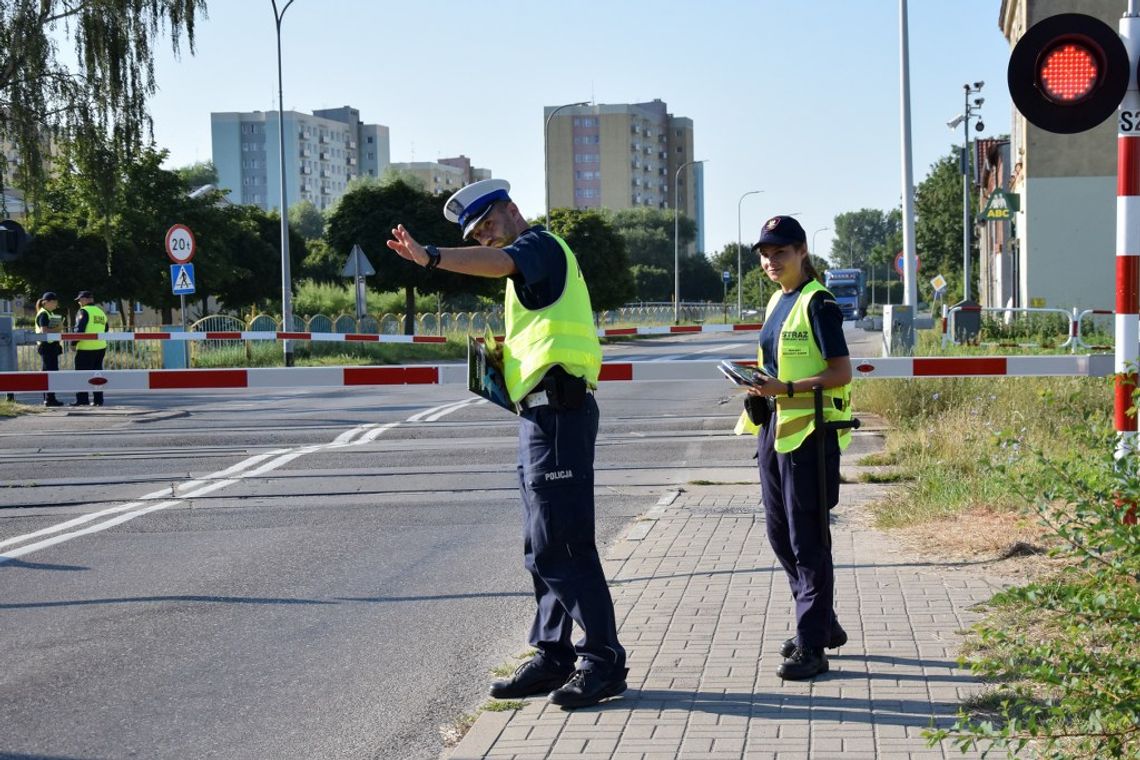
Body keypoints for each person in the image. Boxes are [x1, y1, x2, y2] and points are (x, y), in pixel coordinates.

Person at [386, 178, 627, 708]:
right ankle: (553, 654)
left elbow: (498, 264)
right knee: (539, 545)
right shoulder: (525, 270)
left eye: (488, 226)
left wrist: (430, 256)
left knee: (562, 544)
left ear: (513, 211)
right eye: (476, 233)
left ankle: (603, 658)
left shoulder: (538, 246)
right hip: (538, 418)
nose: (486, 239)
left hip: (560, 414)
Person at [736, 215, 854, 680]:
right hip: (773, 430)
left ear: (802, 251)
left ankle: (812, 646)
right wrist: (755, 382)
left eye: (780, 252)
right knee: (779, 535)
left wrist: (785, 389)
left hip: (810, 433)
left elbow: (840, 372)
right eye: (765, 253)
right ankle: (821, 624)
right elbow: (774, 361)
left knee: (808, 540)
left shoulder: (818, 303)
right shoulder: (776, 301)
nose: (770, 260)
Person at [71, 290, 108, 407]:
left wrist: (73, 343)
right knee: (97, 374)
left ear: (86, 300)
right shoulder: (100, 312)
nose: (79, 303)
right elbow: (106, 329)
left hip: (86, 348)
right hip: (100, 347)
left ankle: (82, 400)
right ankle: (98, 400)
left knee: (81, 374)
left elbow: (79, 329)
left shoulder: (83, 311)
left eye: (80, 300)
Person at [34, 291, 64, 407]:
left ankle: (51, 398)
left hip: (51, 346)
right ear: (47, 302)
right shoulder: (44, 314)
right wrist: (58, 329)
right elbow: (44, 331)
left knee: (51, 372)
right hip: (46, 347)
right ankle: (49, 398)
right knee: (49, 372)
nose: (56, 304)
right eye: (55, 302)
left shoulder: (49, 313)